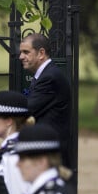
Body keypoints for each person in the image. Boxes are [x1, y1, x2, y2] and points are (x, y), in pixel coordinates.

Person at [19, 33, 73, 170]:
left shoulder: (49, 77)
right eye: (21, 52)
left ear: (41, 53)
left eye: (26, 52)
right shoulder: (46, 74)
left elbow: (28, 108)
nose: (21, 57)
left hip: (50, 152)